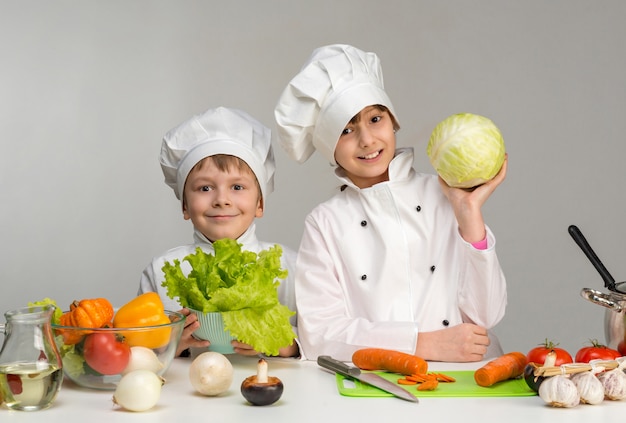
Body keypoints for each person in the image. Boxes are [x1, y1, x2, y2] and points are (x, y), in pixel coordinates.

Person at [274, 44, 507, 363]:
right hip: (377, 384)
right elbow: (319, 335)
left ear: (393, 121)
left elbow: (487, 315)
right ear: (330, 147)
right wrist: (422, 345)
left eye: (375, 118)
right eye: (346, 129)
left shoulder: (443, 194)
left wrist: (470, 215)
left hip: (463, 378)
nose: (367, 139)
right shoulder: (325, 221)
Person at [139, 106, 298, 358]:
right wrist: (167, 346)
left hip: (268, 390)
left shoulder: (290, 266)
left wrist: (286, 344)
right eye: (204, 189)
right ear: (184, 206)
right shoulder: (160, 271)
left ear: (260, 203)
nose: (221, 199)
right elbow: (139, 353)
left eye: (237, 186)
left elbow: (317, 339)